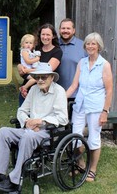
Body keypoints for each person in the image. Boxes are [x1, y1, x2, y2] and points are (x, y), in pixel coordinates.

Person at [0, 63, 68, 192]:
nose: (40, 80)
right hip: (29, 129)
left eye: (43, 77)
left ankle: (14, 181)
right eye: (37, 77)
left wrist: (41, 121)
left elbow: (63, 118)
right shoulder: (33, 90)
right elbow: (21, 110)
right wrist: (27, 121)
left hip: (47, 132)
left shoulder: (59, 91)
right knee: (3, 132)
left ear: (51, 77)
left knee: (28, 136)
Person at [66, 32, 113, 182]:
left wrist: (105, 111)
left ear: (98, 46)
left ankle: (92, 170)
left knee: (94, 138)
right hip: (80, 105)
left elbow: (109, 90)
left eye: (93, 43)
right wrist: (60, 99)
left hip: (96, 107)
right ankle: (80, 164)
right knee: (75, 137)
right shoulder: (82, 63)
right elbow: (74, 85)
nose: (90, 46)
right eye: (88, 43)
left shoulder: (104, 65)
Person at [17, 23, 63, 105]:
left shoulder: (57, 52)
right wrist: (20, 67)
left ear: (53, 36)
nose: (45, 37)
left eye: (48, 35)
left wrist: (27, 70)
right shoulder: (35, 49)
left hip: (44, 91)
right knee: (24, 116)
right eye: (43, 34)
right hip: (27, 90)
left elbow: (46, 71)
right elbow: (24, 61)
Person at [56, 18, 87, 102]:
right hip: (56, 94)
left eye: (68, 28)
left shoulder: (83, 46)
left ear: (73, 30)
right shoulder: (53, 45)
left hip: (78, 95)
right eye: (63, 28)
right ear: (59, 30)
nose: (65, 31)